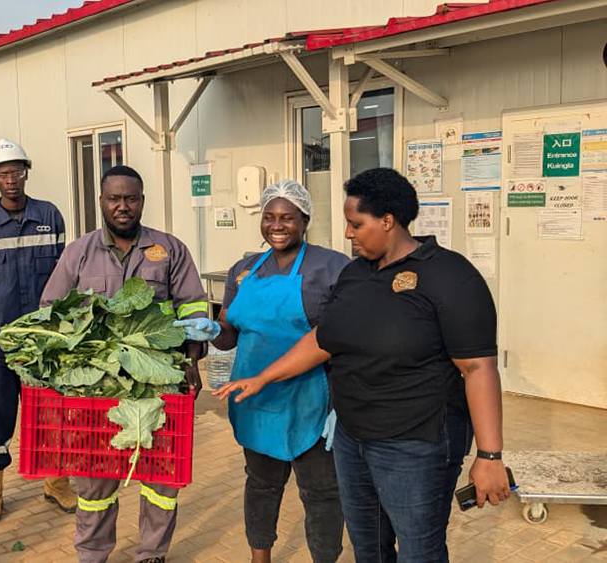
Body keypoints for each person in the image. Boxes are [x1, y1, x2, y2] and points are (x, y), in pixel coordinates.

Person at [216, 168, 510, 562]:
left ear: (387, 220)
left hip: (415, 444)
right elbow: (322, 340)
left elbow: (478, 369)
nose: (349, 234)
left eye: (356, 224)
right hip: (353, 441)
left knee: (418, 550)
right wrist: (262, 377)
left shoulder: (450, 276)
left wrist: (490, 456)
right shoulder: (355, 275)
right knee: (369, 548)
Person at [41, 165, 208, 563]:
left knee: (161, 480)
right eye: (114, 198)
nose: (122, 206)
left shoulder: (169, 250)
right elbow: (50, 309)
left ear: (142, 202)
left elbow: (194, 308)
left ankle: (152, 553)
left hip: (159, 383)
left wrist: (193, 361)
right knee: (95, 482)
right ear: (101, 201)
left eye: (130, 198)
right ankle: (93, 554)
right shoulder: (78, 253)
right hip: (97, 388)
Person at [177, 180, 347, 563]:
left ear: (305, 220)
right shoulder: (244, 270)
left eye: (287, 217)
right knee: (261, 485)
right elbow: (228, 336)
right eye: (269, 217)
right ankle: (260, 557)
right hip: (255, 398)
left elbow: (345, 337)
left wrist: (348, 400)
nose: (277, 225)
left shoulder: (332, 266)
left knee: (321, 492)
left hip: (313, 400)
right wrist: (209, 331)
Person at [0, 138, 74, 523]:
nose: (11, 179)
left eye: (17, 171)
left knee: (52, 415)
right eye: (2, 172)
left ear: (26, 173)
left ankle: (56, 484)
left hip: (47, 338)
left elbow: (63, 274)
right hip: (0, 340)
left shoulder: (50, 214)